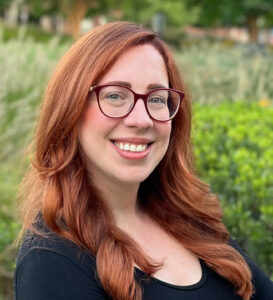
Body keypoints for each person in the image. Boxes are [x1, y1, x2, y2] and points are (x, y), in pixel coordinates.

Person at [14, 21, 273, 300]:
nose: (141, 119)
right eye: (115, 95)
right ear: (71, 110)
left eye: (157, 99)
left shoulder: (192, 222)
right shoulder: (51, 261)